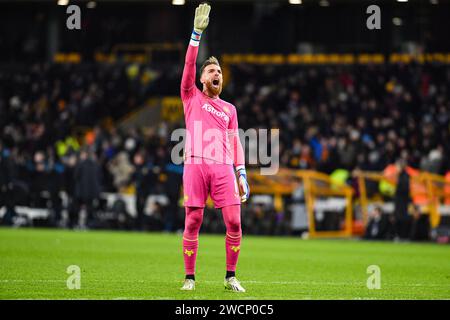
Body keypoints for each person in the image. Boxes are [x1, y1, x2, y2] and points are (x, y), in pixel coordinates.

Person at [179, 3, 249, 292]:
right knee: (193, 219)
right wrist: (196, 34)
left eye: (219, 70)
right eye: (211, 70)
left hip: (222, 167)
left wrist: (242, 173)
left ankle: (230, 276)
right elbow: (188, 66)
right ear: (202, 78)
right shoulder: (190, 95)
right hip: (195, 162)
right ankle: (190, 278)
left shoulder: (230, 108)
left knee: (234, 222)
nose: (216, 73)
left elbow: (235, 141)